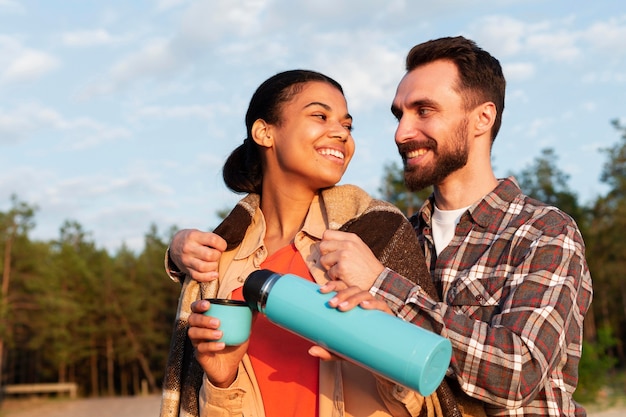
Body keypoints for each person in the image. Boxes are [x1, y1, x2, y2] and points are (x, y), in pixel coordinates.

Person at [159, 69, 463, 417]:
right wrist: (222, 380)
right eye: (320, 116)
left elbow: (428, 401)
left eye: (347, 125)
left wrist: (388, 344)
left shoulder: (375, 235)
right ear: (265, 132)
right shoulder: (221, 261)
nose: (341, 133)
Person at [317, 36, 593, 417]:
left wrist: (383, 286)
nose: (401, 133)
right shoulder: (397, 237)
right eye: (400, 115)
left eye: (424, 111)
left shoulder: (544, 232)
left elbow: (518, 372)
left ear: (483, 118)